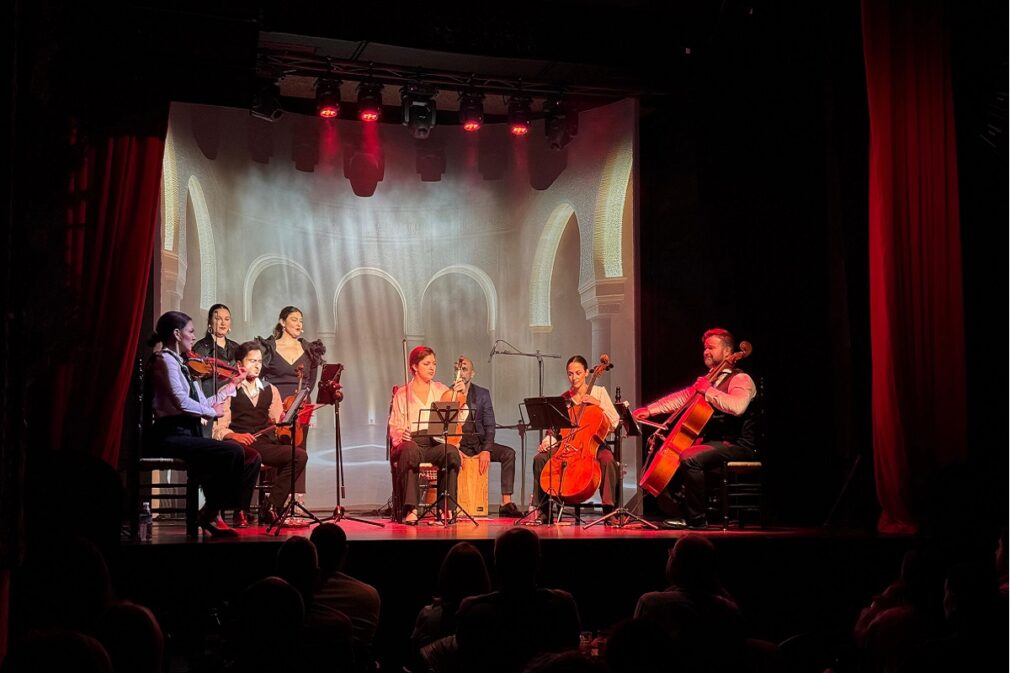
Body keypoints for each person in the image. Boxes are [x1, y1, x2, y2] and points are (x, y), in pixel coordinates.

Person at [146, 311, 260, 537]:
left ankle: (210, 511)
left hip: (189, 433)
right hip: (171, 434)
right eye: (190, 331)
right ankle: (210, 513)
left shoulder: (183, 364)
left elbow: (204, 402)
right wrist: (211, 412)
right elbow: (180, 401)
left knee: (250, 456)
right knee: (233, 452)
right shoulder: (163, 360)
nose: (193, 336)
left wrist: (232, 384)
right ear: (177, 334)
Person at [633, 328, 758, 530]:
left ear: (728, 352)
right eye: (704, 348)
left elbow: (738, 407)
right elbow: (682, 398)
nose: (706, 351)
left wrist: (708, 391)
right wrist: (650, 410)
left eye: (711, 347)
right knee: (673, 455)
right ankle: (681, 510)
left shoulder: (740, 379)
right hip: (716, 442)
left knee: (689, 456)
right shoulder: (710, 379)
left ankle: (697, 520)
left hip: (738, 444)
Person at [212, 341, 309, 527]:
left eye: (259, 361)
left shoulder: (270, 390)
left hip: (264, 443)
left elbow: (278, 421)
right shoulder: (228, 390)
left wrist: (289, 418)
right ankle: (241, 509)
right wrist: (235, 436)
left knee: (299, 455)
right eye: (252, 361)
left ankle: (271, 506)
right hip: (239, 444)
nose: (257, 365)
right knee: (251, 457)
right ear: (240, 365)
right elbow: (219, 429)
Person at [532, 355, 620, 524]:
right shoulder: (565, 398)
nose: (574, 378)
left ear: (587, 372)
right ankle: (544, 511)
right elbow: (555, 430)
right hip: (568, 445)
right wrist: (547, 440)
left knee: (608, 460)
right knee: (540, 459)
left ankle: (609, 511)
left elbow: (614, 421)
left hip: (593, 444)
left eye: (578, 373)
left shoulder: (599, 392)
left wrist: (597, 404)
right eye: (570, 374)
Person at [388, 346, 465, 524]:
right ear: (414, 366)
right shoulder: (402, 393)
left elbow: (457, 418)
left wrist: (460, 395)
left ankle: (446, 510)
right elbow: (394, 425)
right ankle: (411, 509)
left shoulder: (441, 390)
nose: (432, 368)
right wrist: (402, 433)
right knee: (410, 450)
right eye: (426, 363)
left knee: (451, 453)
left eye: (434, 364)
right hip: (410, 442)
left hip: (432, 442)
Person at [256, 306, 326, 500]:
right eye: (294, 319)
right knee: (275, 449)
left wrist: (300, 401)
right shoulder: (269, 348)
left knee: (299, 448)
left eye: (300, 320)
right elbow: (260, 378)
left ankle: (296, 498)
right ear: (282, 322)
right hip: (273, 405)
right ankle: (273, 500)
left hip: (300, 405)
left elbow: (310, 381)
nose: (298, 324)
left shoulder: (309, 349)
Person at [453, 356, 521, 517]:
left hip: (479, 443)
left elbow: (490, 425)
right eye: (457, 369)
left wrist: (486, 450)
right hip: (459, 445)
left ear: (472, 373)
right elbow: (446, 427)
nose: (460, 373)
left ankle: (506, 502)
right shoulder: (449, 393)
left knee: (508, 453)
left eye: (464, 369)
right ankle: (452, 504)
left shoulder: (482, 394)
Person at [191, 303, 240, 398]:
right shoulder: (201, 347)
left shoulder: (236, 347)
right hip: (211, 398)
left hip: (234, 399)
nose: (223, 323)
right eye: (218, 319)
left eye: (227, 319)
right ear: (210, 321)